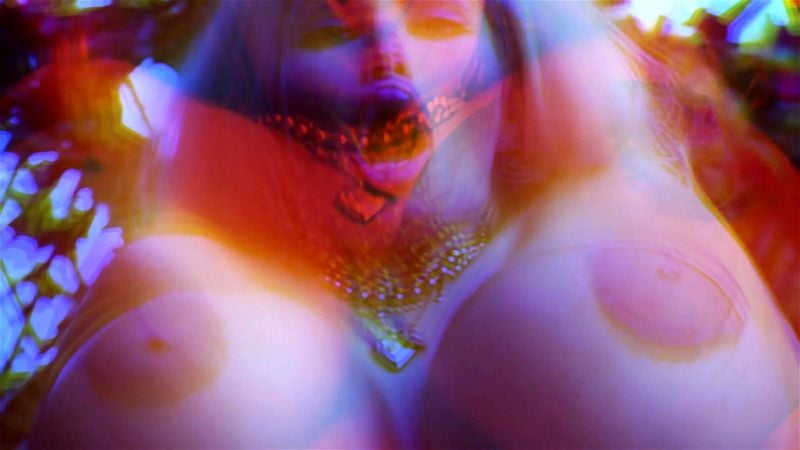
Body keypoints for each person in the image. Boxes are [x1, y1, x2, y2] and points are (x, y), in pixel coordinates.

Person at [29, 1, 798, 448]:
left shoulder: (606, 172)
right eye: (333, 27)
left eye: (432, 18)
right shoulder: (183, 273)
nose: (391, 58)